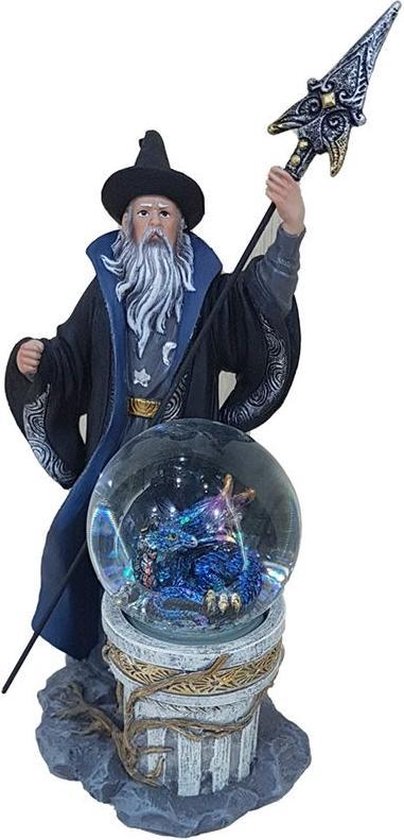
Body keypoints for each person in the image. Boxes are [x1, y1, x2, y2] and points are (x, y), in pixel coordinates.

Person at [5, 130, 305, 659]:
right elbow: (71, 354)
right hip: (116, 441)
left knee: (186, 542)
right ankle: (103, 650)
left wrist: (290, 232)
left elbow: (260, 302)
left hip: (185, 446)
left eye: (164, 214)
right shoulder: (106, 291)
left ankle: (181, 644)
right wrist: (39, 359)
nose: (154, 224)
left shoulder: (206, 293)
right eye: (144, 213)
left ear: (180, 226)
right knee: (96, 541)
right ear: (127, 224)